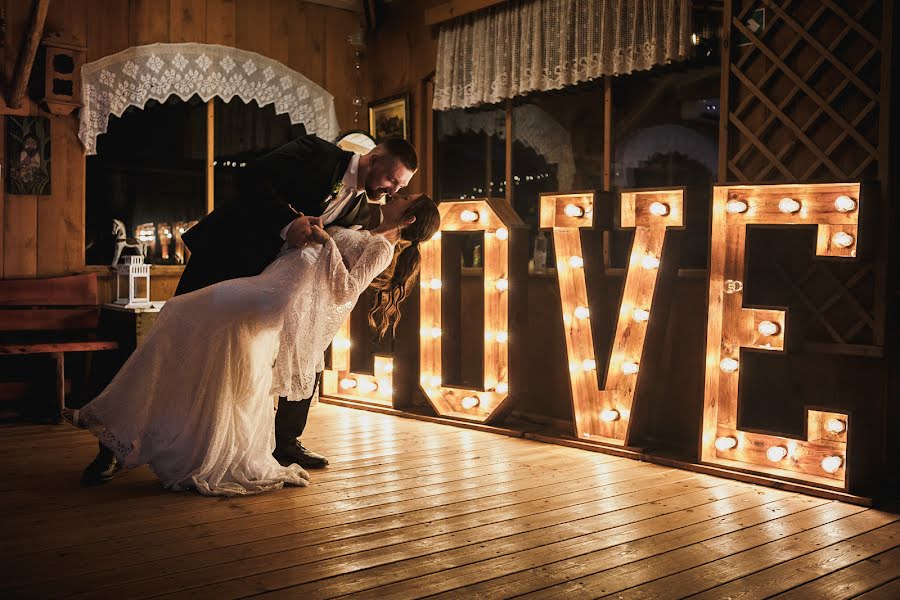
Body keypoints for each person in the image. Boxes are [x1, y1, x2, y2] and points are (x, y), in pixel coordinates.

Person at [82, 133, 418, 484]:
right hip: (225, 258)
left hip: (263, 290)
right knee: (175, 343)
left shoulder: (361, 209)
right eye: (392, 179)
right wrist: (287, 223)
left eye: (401, 186)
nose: (393, 189)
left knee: (232, 373)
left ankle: (206, 450)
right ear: (374, 157)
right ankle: (113, 445)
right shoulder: (317, 152)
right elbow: (250, 176)